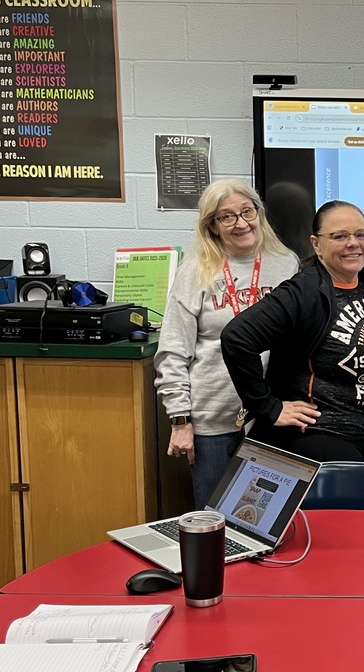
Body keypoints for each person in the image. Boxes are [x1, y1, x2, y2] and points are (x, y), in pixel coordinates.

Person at [220, 200, 364, 517]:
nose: (353, 244)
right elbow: (237, 338)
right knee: (357, 522)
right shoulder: (303, 292)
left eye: (361, 234)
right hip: (323, 431)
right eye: (340, 236)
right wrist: (269, 407)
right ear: (317, 245)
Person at [154, 178, 299, 510]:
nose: (241, 223)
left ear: (259, 214)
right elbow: (172, 351)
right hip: (213, 420)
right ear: (213, 226)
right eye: (227, 217)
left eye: (247, 211)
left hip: (269, 417)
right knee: (216, 520)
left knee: (264, 518)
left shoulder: (285, 264)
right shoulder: (195, 272)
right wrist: (180, 420)